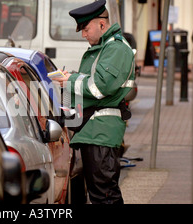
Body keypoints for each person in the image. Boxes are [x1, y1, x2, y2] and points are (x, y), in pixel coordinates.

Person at [51, 0, 135, 204]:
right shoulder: (103, 48)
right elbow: (91, 81)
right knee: (100, 194)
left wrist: (69, 80)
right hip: (95, 131)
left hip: (101, 132)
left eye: (86, 29)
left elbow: (101, 87)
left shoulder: (114, 49)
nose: (83, 35)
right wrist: (72, 78)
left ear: (102, 25)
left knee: (104, 195)